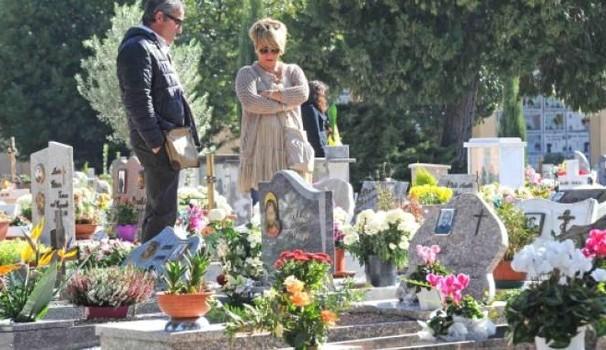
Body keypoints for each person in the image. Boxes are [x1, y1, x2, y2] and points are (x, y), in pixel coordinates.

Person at [117, 0, 199, 242]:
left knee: (162, 208)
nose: (180, 29)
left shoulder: (154, 47)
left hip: (169, 139)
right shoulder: (137, 48)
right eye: (178, 22)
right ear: (159, 17)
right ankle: (152, 272)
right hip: (158, 140)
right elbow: (137, 99)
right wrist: (154, 141)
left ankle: (150, 271)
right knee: (163, 210)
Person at [235, 18, 310, 203]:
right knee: (264, 213)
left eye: (274, 49)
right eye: (264, 49)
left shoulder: (293, 71)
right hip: (260, 154)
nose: (269, 54)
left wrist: (275, 94)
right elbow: (251, 101)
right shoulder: (247, 73)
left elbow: (302, 94)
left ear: (282, 49)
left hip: (291, 151)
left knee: (296, 212)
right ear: (256, 48)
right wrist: (286, 102)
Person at [301, 81, 330, 157]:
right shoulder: (309, 109)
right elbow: (314, 136)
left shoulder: (315, 109)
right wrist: (322, 154)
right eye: (323, 94)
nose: (324, 97)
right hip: (316, 155)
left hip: (320, 151)